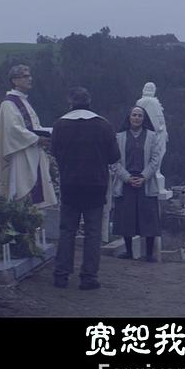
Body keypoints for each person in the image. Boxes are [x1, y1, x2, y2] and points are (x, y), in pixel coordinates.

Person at [50, 87, 121, 291]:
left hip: (70, 183)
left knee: (67, 230)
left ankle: (61, 275)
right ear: (89, 102)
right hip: (96, 184)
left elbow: (54, 152)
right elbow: (114, 157)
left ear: (70, 103)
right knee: (93, 232)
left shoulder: (60, 125)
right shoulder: (103, 125)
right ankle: (89, 277)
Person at [0, 64, 57, 207]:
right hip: (20, 152)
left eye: (30, 75)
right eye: (25, 76)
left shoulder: (24, 101)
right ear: (14, 80)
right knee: (21, 188)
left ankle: (33, 217)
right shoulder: (9, 103)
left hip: (32, 150)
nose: (30, 79)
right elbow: (13, 129)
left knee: (34, 192)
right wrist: (37, 138)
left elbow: (33, 126)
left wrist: (47, 133)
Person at [109, 106, 166, 262]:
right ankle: (129, 252)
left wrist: (143, 177)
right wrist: (127, 177)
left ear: (144, 118)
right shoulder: (119, 137)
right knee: (126, 217)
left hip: (145, 182)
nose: (137, 118)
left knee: (148, 217)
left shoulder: (152, 137)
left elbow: (155, 160)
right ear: (129, 117)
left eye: (140, 115)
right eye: (134, 115)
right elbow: (114, 161)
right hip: (125, 182)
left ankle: (149, 254)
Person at [135, 82, 168, 193]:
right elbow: (155, 120)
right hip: (156, 133)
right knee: (157, 154)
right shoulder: (151, 102)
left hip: (156, 132)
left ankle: (155, 172)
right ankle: (155, 172)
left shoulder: (141, 101)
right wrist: (159, 129)